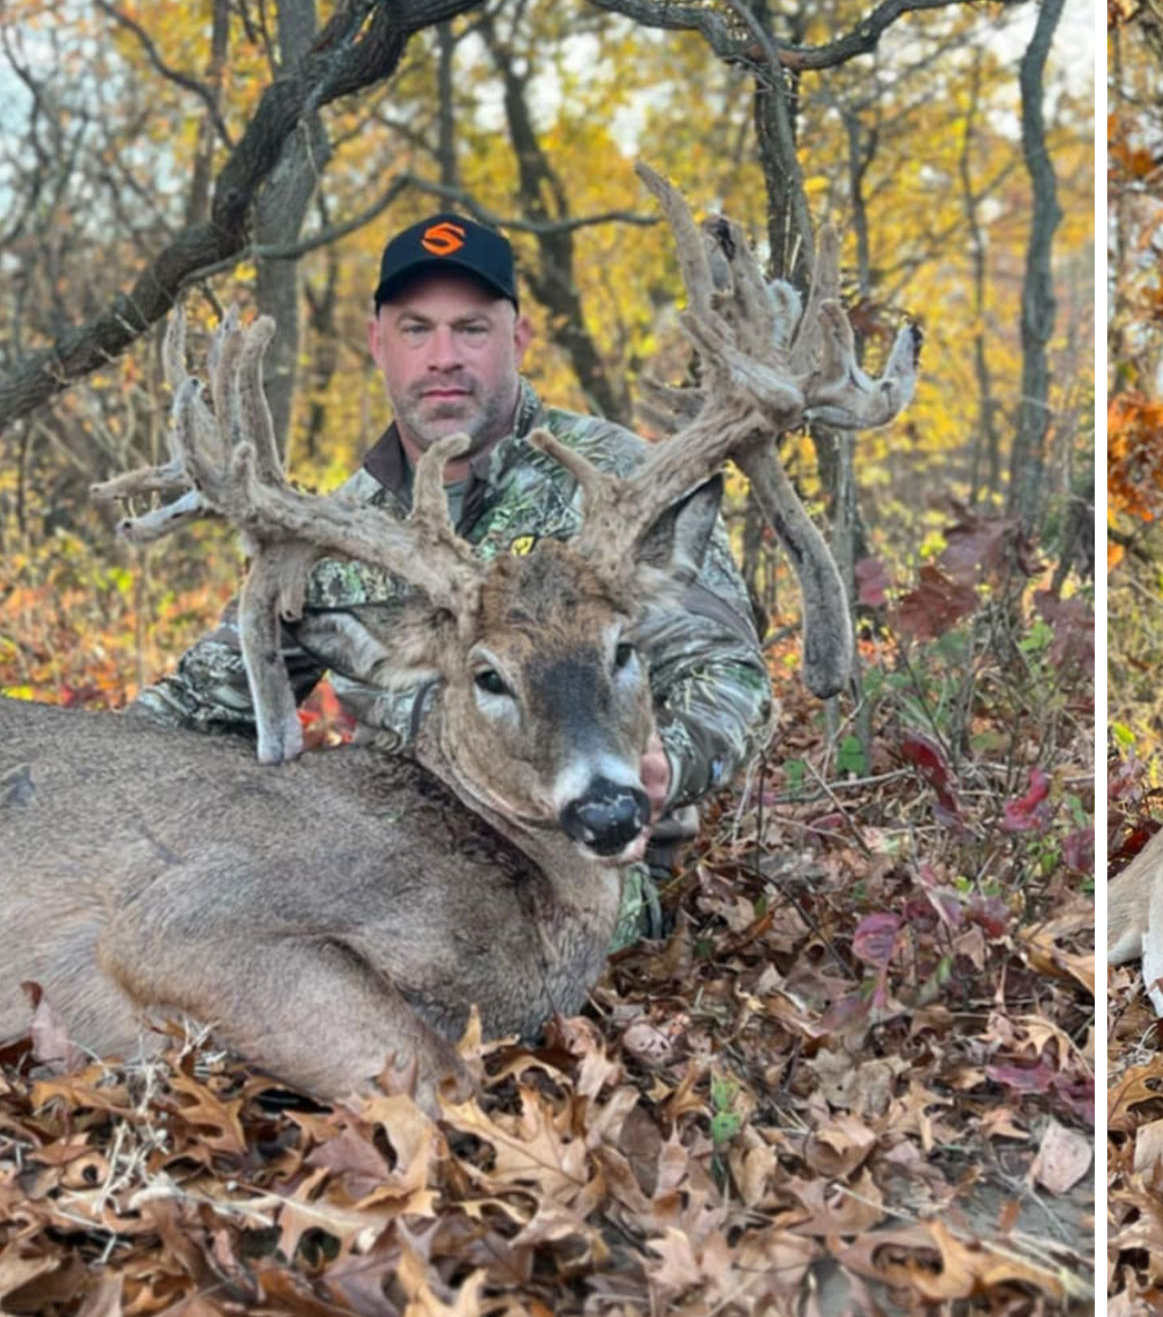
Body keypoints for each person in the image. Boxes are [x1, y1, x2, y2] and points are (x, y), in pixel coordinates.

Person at [134, 212, 772, 947]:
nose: (443, 357)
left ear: (517, 339)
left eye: (471, 328)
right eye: (416, 329)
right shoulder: (333, 535)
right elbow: (201, 706)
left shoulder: (621, 486)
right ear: (378, 343)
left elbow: (730, 673)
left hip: (587, 849)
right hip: (396, 843)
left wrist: (670, 762)